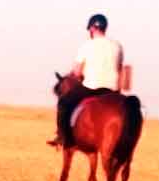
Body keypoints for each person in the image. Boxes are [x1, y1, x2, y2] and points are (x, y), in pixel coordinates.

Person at [52, 13, 123, 149]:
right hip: (112, 89)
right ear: (104, 28)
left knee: (64, 103)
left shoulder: (86, 45)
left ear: (91, 29)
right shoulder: (117, 46)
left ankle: (63, 138)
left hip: (92, 87)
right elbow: (119, 69)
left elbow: (77, 72)